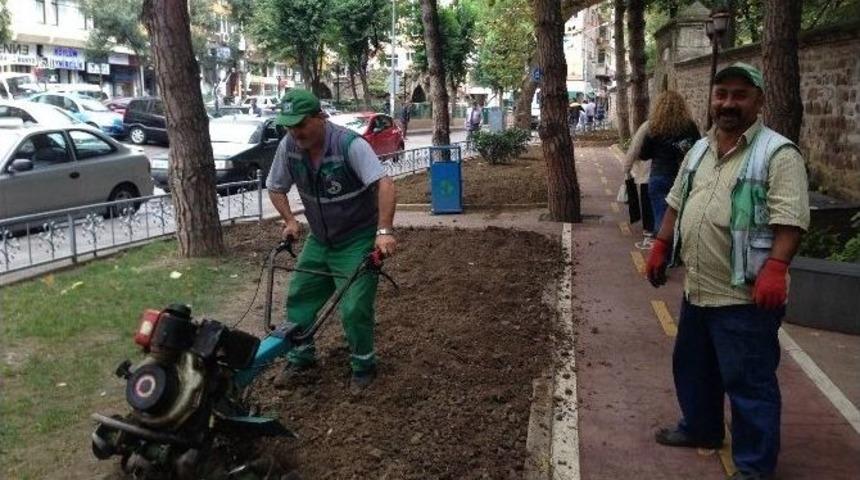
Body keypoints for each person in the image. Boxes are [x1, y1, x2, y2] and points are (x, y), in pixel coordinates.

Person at [646, 63, 809, 480]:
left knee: (749, 383)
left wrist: (776, 267)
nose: (728, 103)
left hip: (745, 294)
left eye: (739, 95)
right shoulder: (700, 149)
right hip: (699, 287)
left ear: (758, 100)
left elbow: (790, 219)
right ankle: (701, 427)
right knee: (694, 367)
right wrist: (661, 245)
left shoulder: (778, 153)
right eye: (722, 95)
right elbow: (678, 201)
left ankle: (754, 468)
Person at [265, 89, 398, 393]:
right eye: (288, 126)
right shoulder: (289, 146)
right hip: (320, 238)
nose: (294, 132)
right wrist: (289, 219)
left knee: (353, 308)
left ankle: (364, 366)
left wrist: (384, 231)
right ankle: (301, 358)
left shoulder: (349, 144)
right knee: (300, 296)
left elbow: (385, 183)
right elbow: (275, 187)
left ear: (319, 118)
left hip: (356, 239)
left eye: (300, 124)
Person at [636, 90, 700, 230]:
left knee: (660, 218)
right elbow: (699, 149)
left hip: (659, 175)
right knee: (681, 220)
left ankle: (662, 247)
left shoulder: (654, 127)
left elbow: (643, 154)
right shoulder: (689, 127)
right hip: (682, 176)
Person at [624, 120, 655, 248]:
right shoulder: (683, 125)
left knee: (648, 203)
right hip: (673, 173)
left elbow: (635, 147)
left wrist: (627, 168)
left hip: (649, 172)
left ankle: (650, 233)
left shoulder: (649, 125)